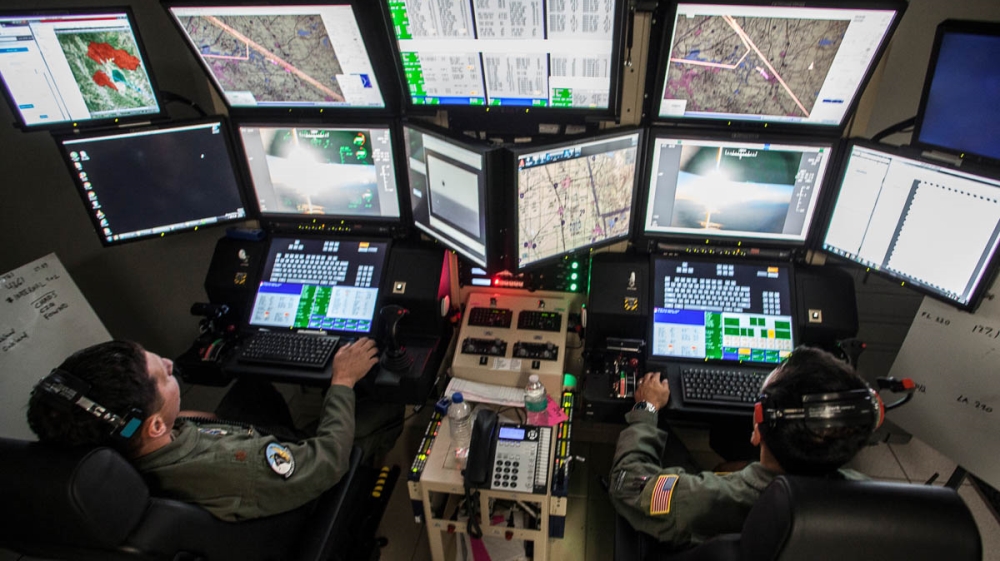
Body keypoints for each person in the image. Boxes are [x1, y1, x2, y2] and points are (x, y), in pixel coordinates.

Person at [26, 338, 394, 522]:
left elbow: (177, 423)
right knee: (388, 408)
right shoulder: (239, 465)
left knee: (251, 388)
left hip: (221, 449)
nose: (171, 363)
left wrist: (176, 419)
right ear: (154, 426)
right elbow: (327, 460)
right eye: (164, 374)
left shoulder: (113, 448)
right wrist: (342, 381)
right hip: (296, 478)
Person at [608, 346, 872, 550]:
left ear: (757, 430)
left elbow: (628, 483)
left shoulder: (706, 498)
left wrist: (647, 408)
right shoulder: (871, 500)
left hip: (683, 540)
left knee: (658, 429)